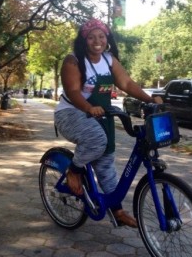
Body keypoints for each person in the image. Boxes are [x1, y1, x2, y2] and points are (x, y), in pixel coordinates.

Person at [54, 18, 163, 228]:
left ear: (107, 39)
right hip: (71, 113)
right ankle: (74, 171)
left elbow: (127, 83)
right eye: (92, 37)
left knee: (106, 163)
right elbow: (73, 92)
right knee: (97, 140)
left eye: (101, 36)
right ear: (84, 40)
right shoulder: (73, 61)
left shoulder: (108, 59)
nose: (97, 41)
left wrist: (150, 99)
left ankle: (117, 210)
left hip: (101, 115)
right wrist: (88, 108)